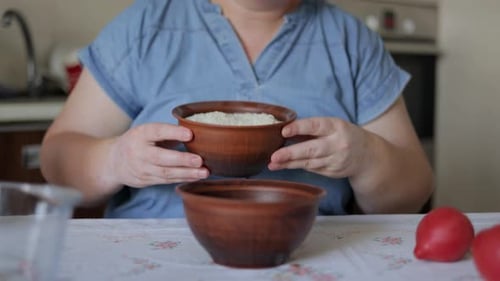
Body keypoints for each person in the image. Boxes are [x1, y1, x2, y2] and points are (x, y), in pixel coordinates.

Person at [40, 0, 434, 218]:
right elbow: (58, 158)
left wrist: (367, 157)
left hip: (311, 254)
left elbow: (411, 191)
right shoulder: (146, 26)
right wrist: (113, 161)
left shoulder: (351, 43)